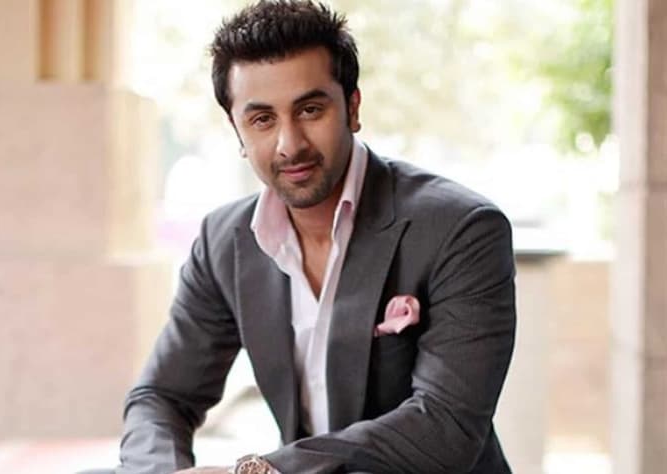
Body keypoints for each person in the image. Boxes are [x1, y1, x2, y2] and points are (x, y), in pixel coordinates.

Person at [117, 1, 516, 473]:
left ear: (353, 107)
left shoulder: (461, 229)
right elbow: (161, 397)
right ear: (237, 131)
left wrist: (266, 471)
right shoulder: (224, 242)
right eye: (262, 119)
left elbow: (446, 428)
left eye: (310, 110)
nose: (290, 144)